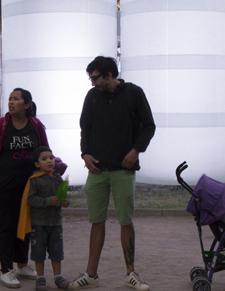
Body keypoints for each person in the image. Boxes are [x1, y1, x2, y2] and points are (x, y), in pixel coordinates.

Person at [68, 56, 156, 291]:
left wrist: (136, 150)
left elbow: (149, 126)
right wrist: (85, 154)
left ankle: (131, 274)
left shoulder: (133, 93)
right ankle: (91, 275)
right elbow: (84, 127)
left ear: (109, 75)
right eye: (91, 78)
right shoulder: (93, 96)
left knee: (125, 221)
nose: (92, 83)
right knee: (97, 221)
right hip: (96, 170)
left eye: (95, 78)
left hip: (122, 170)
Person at [0, 88, 48, 287]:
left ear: (26, 105)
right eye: (10, 99)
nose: (11, 102)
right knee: (7, 227)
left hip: (29, 186)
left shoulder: (36, 125)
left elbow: (44, 152)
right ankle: (6, 269)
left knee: (25, 225)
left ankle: (21, 265)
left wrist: (46, 175)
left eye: (16, 99)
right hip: (4, 185)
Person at [19, 146, 70, 291]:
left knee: (57, 252)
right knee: (38, 252)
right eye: (44, 159)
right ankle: (40, 279)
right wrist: (47, 201)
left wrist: (66, 202)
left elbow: (64, 196)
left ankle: (58, 277)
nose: (49, 161)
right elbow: (30, 200)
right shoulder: (34, 180)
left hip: (56, 224)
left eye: (51, 158)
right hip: (39, 225)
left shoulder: (58, 177)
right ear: (37, 164)